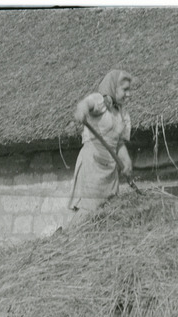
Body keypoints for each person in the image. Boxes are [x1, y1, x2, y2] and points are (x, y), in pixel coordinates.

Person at [68, 69, 134, 212]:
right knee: (89, 212)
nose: (129, 94)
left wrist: (126, 162)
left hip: (110, 169)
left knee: (108, 211)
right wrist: (82, 111)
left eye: (130, 90)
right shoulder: (100, 101)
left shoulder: (123, 114)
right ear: (113, 87)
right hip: (93, 163)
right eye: (125, 89)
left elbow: (120, 143)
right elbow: (86, 104)